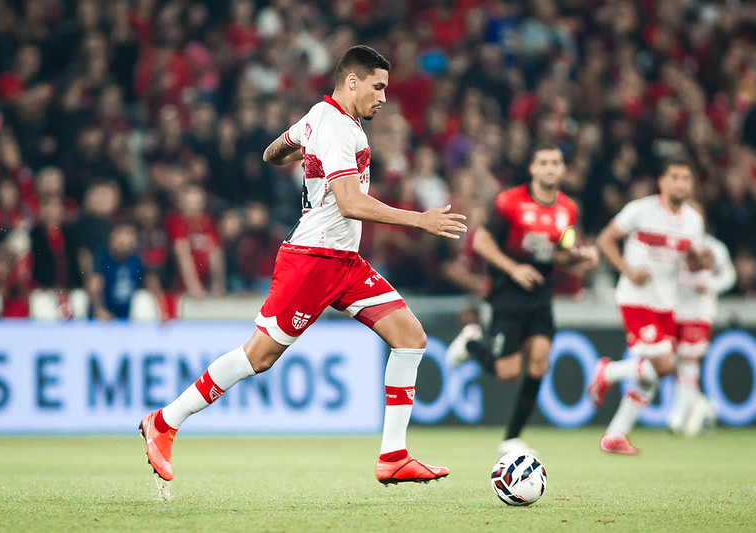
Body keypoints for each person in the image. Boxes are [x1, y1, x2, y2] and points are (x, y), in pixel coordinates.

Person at [139, 45, 467, 492]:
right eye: (378, 87)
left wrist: (305, 154)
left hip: (345, 262)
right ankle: (164, 421)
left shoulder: (320, 116)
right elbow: (350, 203)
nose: (384, 97)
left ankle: (393, 456)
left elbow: (273, 153)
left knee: (410, 337)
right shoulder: (338, 129)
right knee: (258, 357)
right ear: (352, 81)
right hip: (313, 259)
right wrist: (419, 220)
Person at [446, 144, 598, 457]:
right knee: (507, 373)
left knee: (540, 360)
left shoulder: (568, 209)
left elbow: (559, 254)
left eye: (556, 162)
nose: (550, 167)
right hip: (508, 292)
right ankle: (472, 342)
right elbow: (482, 241)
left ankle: (512, 438)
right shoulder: (510, 202)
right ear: (533, 169)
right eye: (544, 162)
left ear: (563, 169)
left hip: (540, 293)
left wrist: (579, 258)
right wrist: (513, 268)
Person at [588, 158, 706, 455]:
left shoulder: (694, 221)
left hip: (667, 303)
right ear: (662, 182)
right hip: (637, 298)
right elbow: (605, 240)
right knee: (664, 365)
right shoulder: (640, 210)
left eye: (686, 178)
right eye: (675, 177)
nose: (681, 183)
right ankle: (609, 371)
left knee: (652, 376)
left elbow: (692, 261)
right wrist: (628, 271)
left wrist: (699, 260)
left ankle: (615, 435)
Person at [668, 204, 736, 435]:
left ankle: (678, 417)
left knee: (688, 360)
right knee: (672, 363)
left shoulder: (714, 247)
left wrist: (709, 285)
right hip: (673, 308)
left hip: (699, 311)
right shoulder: (675, 243)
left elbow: (729, 276)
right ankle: (703, 406)